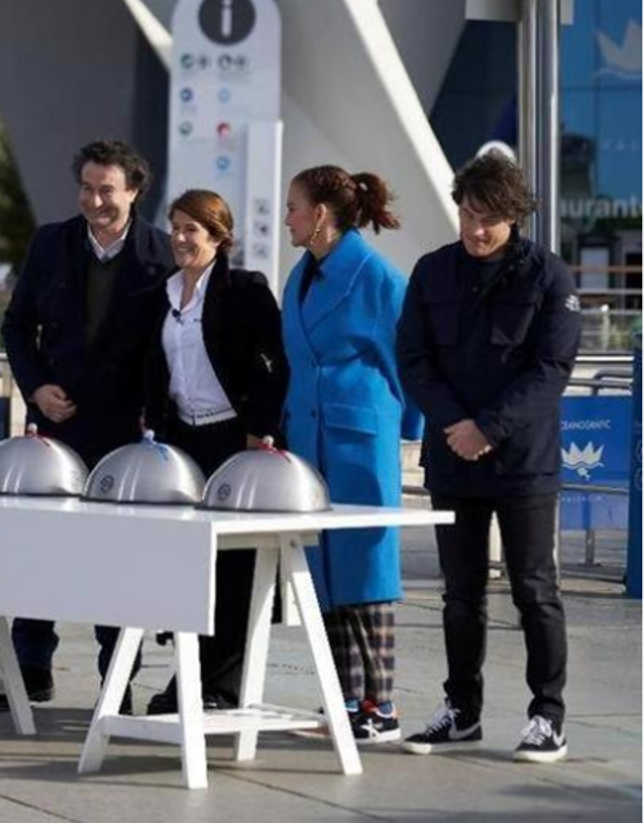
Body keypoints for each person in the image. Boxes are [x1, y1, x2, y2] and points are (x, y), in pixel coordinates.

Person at [396, 152, 580, 763]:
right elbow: (414, 358)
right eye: (469, 215)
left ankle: (546, 715)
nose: (477, 230)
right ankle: (461, 711)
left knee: (534, 588)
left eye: (490, 219)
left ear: (514, 217)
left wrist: (490, 429)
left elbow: (551, 369)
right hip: (454, 457)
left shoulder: (548, 277)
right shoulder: (431, 272)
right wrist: (456, 425)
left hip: (522, 462)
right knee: (460, 594)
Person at [0, 140, 173, 713]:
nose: (96, 200)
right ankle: (30, 666)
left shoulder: (161, 254)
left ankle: (117, 681)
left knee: (116, 557)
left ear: (135, 191)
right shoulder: (50, 243)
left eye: (107, 189)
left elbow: (170, 345)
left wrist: (152, 411)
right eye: (88, 188)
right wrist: (36, 386)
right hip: (53, 425)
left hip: (125, 432)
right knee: (38, 546)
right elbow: (18, 328)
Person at [281, 166, 422, 744]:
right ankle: (342, 701)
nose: (286, 215)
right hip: (309, 439)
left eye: (293, 206)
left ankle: (380, 704)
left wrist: (405, 430)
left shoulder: (376, 276)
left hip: (358, 437)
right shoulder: (303, 274)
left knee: (367, 565)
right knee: (327, 571)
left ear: (320, 214)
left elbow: (408, 359)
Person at [141, 189, 288, 714]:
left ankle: (220, 686)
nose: (181, 238)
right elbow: (155, 369)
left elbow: (273, 367)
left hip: (235, 439)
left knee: (234, 571)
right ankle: (188, 675)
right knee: (188, 567)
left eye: (193, 230)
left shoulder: (246, 291)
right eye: (176, 227)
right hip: (182, 441)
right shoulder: (161, 292)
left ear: (219, 239)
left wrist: (260, 432)